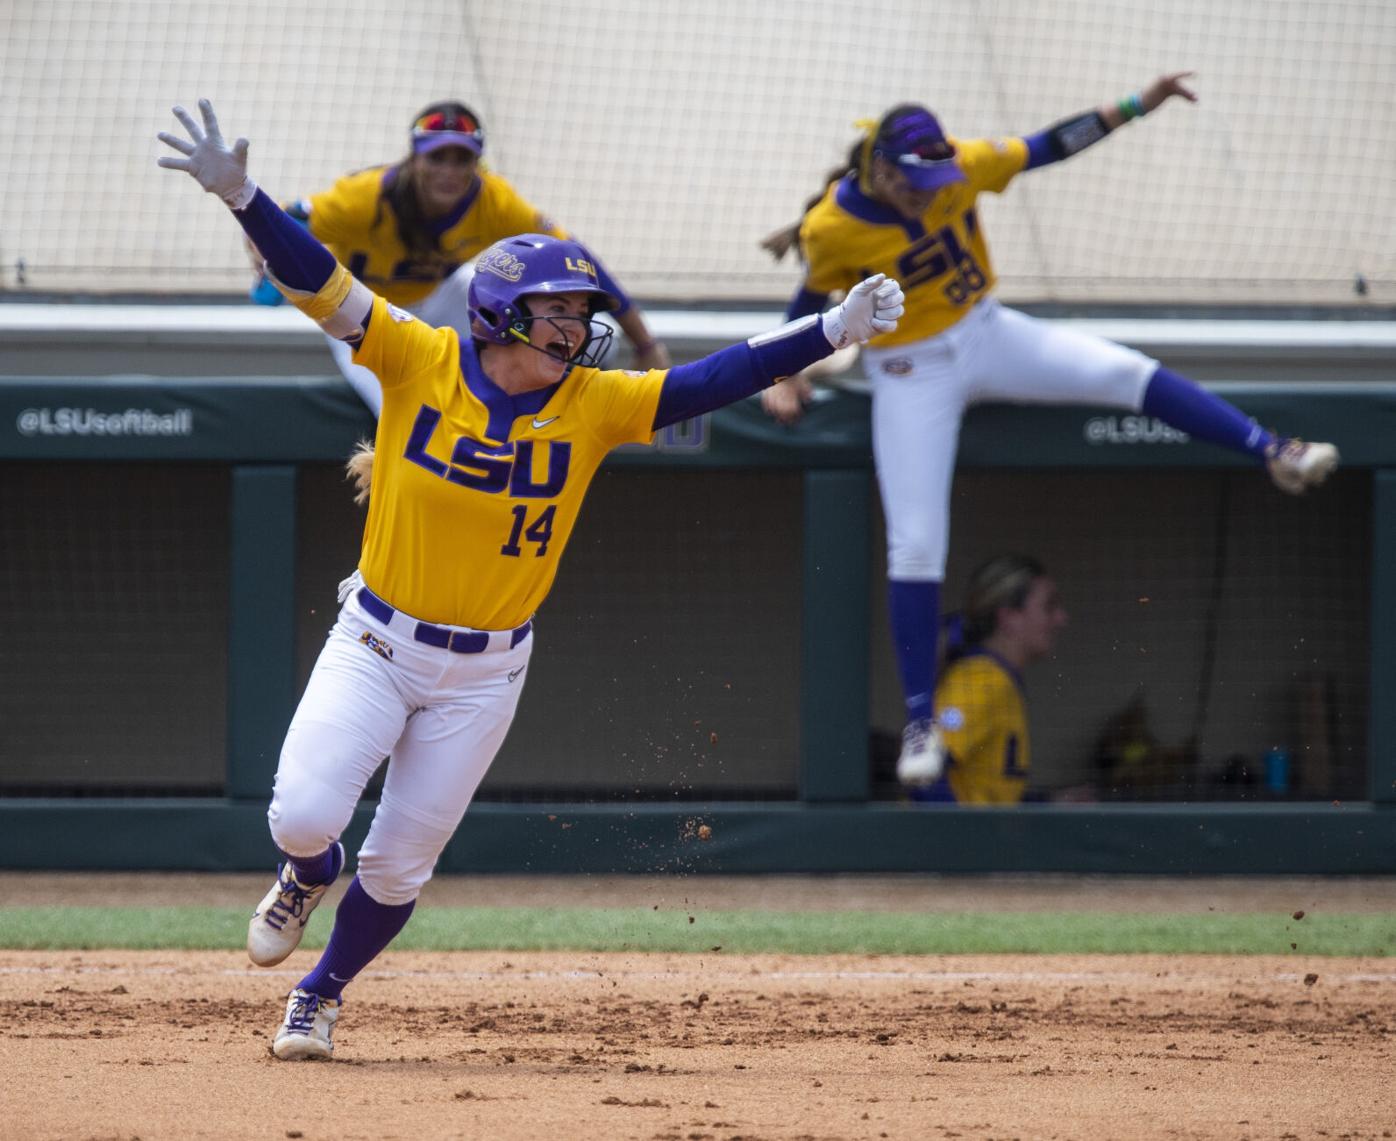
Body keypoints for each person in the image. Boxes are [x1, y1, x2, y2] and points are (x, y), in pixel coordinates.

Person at [157, 99, 904, 1062]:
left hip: (487, 672)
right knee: (302, 815)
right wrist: (245, 199)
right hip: (379, 641)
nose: (578, 326)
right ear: (504, 314)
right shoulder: (418, 356)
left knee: (402, 862)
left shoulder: (591, 404)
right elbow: (324, 284)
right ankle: (307, 871)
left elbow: (712, 381)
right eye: (559, 311)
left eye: (580, 312)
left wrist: (828, 330)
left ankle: (321, 991)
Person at [757, 75, 1341, 790]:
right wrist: (786, 374)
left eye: (933, 177)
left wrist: (1134, 106)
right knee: (914, 537)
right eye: (912, 179)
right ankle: (919, 719)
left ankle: (1273, 449)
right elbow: (807, 300)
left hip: (986, 330)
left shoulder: (964, 165)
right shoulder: (831, 225)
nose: (926, 189)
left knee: (1123, 372)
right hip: (909, 368)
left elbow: (1048, 146)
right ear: (879, 169)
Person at [247, 100, 669, 415]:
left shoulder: (493, 200)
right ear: (414, 158)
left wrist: (645, 343)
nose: (449, 170)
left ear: (476, 162)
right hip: (366, 309)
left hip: (444, 295)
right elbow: (275, 220)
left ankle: (555, 409)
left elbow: (577, 259)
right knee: (406, 410)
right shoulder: (364, 198)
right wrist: (262, 256)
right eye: (438, 157)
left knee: (560, 313)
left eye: (462, 158)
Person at [909, 554, 1066, 805]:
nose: (1060, 619)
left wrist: (1048, 802)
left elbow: (987, 796)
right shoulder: (982, 680)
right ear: (1009, 618)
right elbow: (924, 778)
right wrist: (959, 841)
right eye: (1049, 607)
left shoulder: (997, 677)